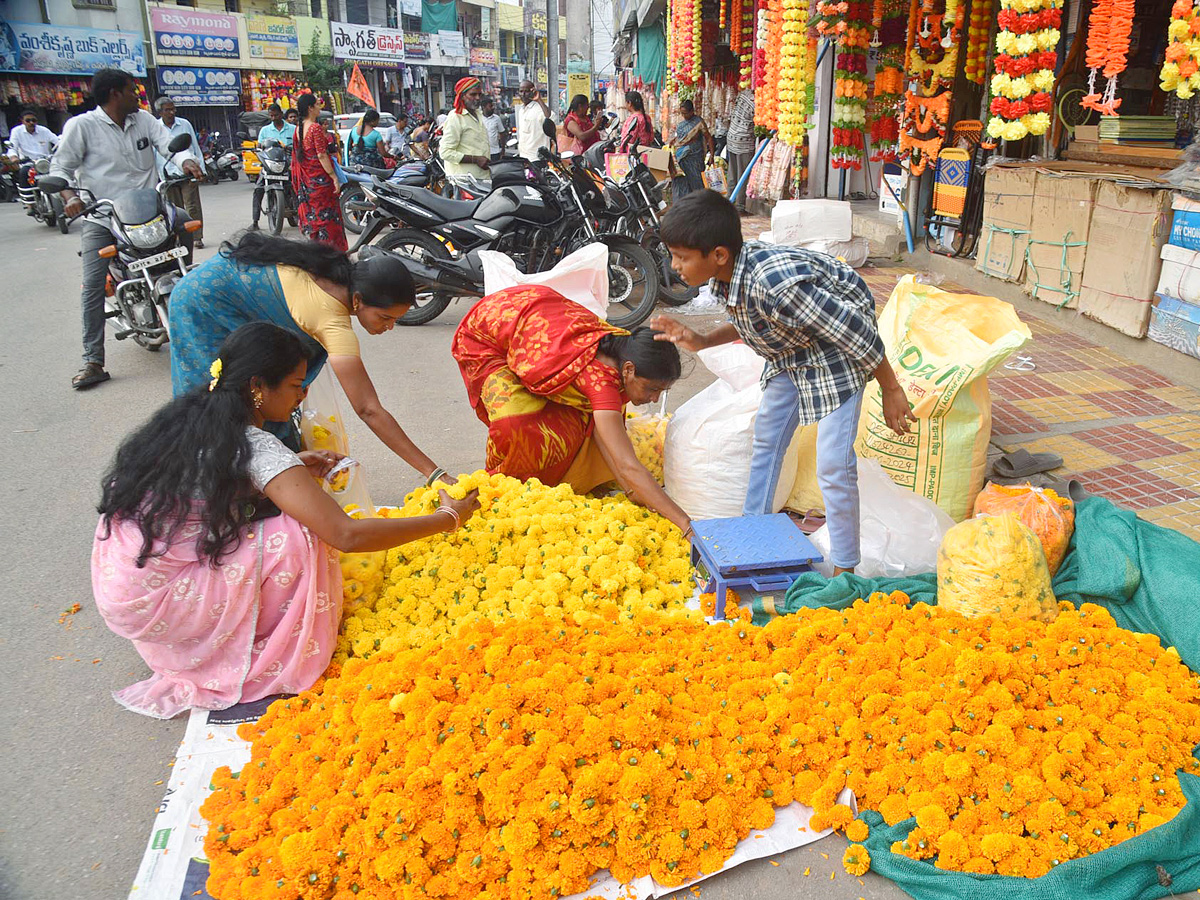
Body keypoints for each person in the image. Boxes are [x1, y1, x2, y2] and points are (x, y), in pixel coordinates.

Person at [93, 321, 480, 719]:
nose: (303, 395)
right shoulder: (256, 447)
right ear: (258, 387)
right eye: (296, 385)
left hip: (126, 583)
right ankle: (273, 652)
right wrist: (446, 518)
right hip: (163, 598)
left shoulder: (197, 418)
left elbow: (211, 485)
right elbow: (346, 534)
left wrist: (291, 464)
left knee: (289, 519)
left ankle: (224, 630)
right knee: (302, 534)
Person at [653, 191, 916, 576]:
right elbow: (754, 319)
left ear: (719, 255)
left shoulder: (776, 285)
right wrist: (703, 340)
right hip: (797, 348)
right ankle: (753, 532)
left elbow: (856, 332)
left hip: (840, 350)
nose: (675, 266)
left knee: (833, 464)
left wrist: (892, 390)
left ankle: (845, 570)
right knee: (767, 437)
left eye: (682, 256)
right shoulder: (730, 278)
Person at [169, 233, 451, 482]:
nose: (387, 328)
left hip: (221, 286)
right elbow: (368, 409)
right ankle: (224, 480)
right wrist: (433, 472)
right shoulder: (331, 320)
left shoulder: (333, 273)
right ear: (357, 301)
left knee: (270, 391)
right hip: (201, 304)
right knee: (224, 397)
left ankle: (275, 465)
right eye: (385, 318)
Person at [452, 285, 691, 532]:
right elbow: (627, 464)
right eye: (652, 389)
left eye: (661, 392)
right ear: (628, 370)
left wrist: (632, 491)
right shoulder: (601, 384)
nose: (654, 399)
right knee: (519, 424)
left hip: (530, 314)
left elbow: (606, 440)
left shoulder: (624, 348)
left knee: (574, 426)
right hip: (486, 332)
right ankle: (502, 486)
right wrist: (685, 524)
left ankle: (551, 479)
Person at [51, 68, 204, 390]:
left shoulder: (145, 121)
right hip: (103, 215)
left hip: (150, 208)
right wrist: (69, 197)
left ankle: (178, 276)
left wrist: (187, 163)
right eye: (133, 90)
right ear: (114, 94)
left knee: (186, 223)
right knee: (92, 284)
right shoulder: (82, 127)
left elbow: (170, 147)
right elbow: (60, 168)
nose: (139, 96)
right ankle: (93, 360)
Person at [292, 93, 347, 251]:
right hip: (321, 182)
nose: (319, 108)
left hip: (308, 182)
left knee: (316, 219)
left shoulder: (298, 129)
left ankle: (318, 252)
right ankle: (333, 253)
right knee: (328, 221)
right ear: (310, 108)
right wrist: (333, 176)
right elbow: (321, 155)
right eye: (317, 105)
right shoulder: (315, 128)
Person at [154, 98, 205, 248]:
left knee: (192, 206)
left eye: (173, 109)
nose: (172, 112)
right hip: (167, 175)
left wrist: (200, 168)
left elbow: (194, 148)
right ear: (160, 112)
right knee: (174, 210)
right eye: (167, 110)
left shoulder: (184, 124)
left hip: (187, 172)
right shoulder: (156, 127)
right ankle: (179, 237)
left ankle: (197, 237)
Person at [250, 102, 297, 231]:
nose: (273, 118)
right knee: (258, 189)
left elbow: (298, 146)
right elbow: (259, 146)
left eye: (276, 115)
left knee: (297, 186)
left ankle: (301, 214)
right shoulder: (265, 130)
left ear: (281, 114)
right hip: (270, 166)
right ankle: (255, 221)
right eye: (271, 116)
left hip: (287, 165)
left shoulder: (292, 129)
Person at [440, 77, 490, 179]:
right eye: (473, 94)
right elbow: (445, 152)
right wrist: (475, 159)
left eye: (479, 95)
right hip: (464, 181)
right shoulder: (455, 117)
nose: (477, 98)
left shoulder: (479, 114)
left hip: (482, 178)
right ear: (463, 96)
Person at [672, 99, 713, 199]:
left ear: (692, 111)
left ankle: (701, 203)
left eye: (685, 113)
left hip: (695, 158)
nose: (684, 116)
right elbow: (680, 138)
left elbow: (709, 138)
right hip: (682, 159)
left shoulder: (698, 122)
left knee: (697, 183)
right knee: (685, 184)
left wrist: (712, 155)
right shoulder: (681, 123)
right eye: (682, 113)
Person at [725, 88, 756, 215]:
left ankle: (729, 202)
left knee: (733, 173)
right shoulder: (756, 102)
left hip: (731, 137)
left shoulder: (744, 93)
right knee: (742, 175)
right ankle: (739, 206)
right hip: (743, 141)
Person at [516, 80, 551, 161]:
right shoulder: (521, 110)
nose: (523, 94)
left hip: (537, 158)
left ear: (533, 91)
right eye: (521, 91)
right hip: (524, 157)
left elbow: (549, 116)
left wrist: (539, 99)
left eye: (527, 91)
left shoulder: (539, 108)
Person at [481, 96, 507, 163]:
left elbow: (502, 133)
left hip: (495, 152)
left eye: (493, 106)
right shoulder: (478, 118)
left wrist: (503, 150)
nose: (493, 108)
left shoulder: (497, 118)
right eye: (490, 106)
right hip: (482, 153)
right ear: (484, 107)